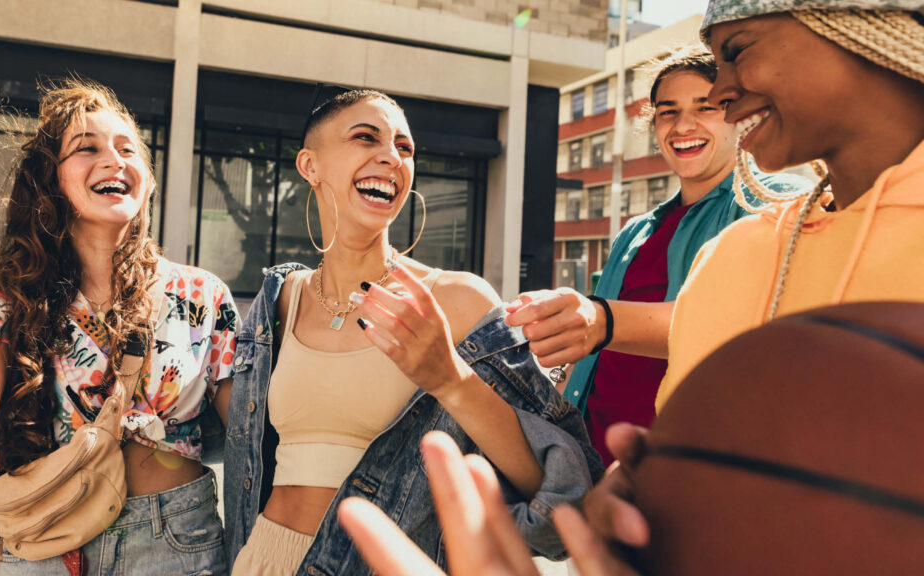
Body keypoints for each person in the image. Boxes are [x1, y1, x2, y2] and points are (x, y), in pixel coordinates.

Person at [337, 0, 924, 574]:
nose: (721, 93)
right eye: (666, 109)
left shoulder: (748, 218)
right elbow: (693, 427)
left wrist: (602, 320)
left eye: (737, 52)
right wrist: (616, 489)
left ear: (861, 22)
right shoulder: (734, 250)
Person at [222, 88, 603, 576]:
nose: (391, 157)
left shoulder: (457, 299)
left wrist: (450, 378)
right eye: (366, 137)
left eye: (404, 148)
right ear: (310, 166)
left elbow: (559, 490)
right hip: (263, 558)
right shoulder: (280, 298)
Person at [0, 78, 238, 575]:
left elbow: (256, 441)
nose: (114, 159)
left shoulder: (202, 295)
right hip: (40, 542)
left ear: (145, 179)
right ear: (50, 181)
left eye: (128, 150)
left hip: (175, 542)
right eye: (88, 148)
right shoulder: (4, 292)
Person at [506, 45, 808, 465]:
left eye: (706, 107)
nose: (683, 125)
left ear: (741, 115)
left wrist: (599, 319)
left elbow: (736, 328)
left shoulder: (781, 207)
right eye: (667, 111)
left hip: (688, 470)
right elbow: (599, 353)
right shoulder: (635, 231)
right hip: (590, 458)